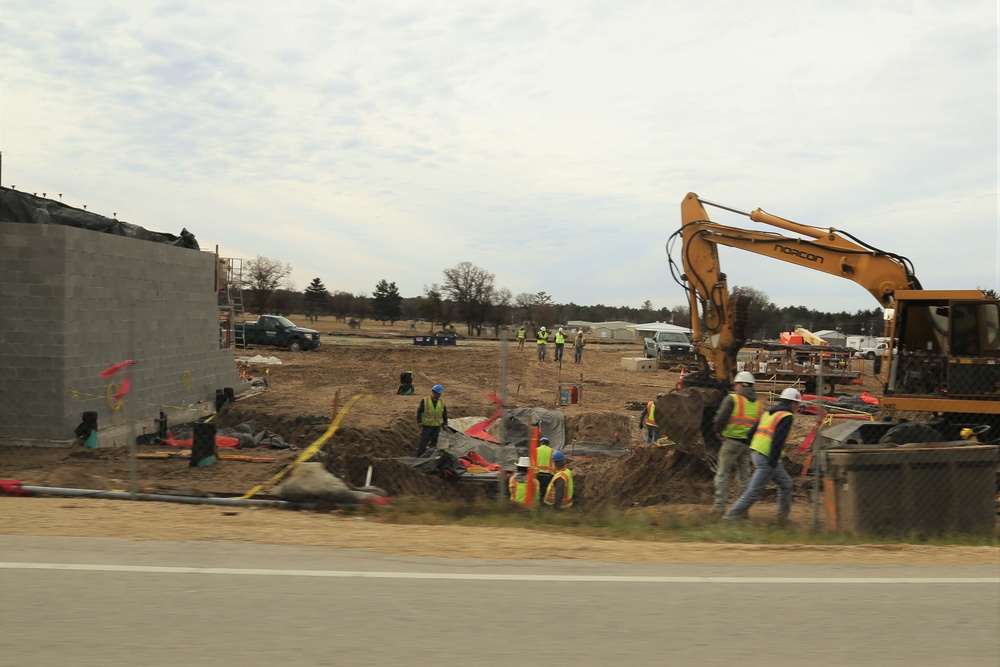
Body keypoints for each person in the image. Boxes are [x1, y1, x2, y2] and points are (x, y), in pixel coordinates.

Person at [723, 387, 802, 523]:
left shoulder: (769, 413)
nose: (798, 408)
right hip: (767, 458)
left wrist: (753, 447)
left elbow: (751, 432)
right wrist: (772, 461)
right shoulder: (786, 417)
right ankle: (729, 518)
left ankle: (782, 520)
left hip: (758, 453)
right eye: (797, 404)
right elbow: (778, 439)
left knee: (786, 484)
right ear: (792, 403)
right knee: (753, 492)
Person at [711, 371, 760, 513]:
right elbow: (757, 424)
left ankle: (720, 507)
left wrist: (718, 432)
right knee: (744, 477)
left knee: (722, 474)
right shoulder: (757, 404)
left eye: (736, 384)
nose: (735, 387)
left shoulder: (732, 399)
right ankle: (742, 510)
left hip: (731, 443)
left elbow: (720, 418)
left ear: (742, 384)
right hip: (747, 445)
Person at [415, 384, 448, 457]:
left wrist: (445, 423)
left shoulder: (441, 402)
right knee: (424, 441)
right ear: (433, 392)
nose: (439, 396)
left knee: (434, 442)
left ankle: (431, 457)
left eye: (440, 394)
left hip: (437, 426)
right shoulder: (425, 401)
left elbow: (444, 413)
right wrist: (419, 421)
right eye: (438, 394)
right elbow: (419, 411)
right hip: (427, 425)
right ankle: (420, 456)